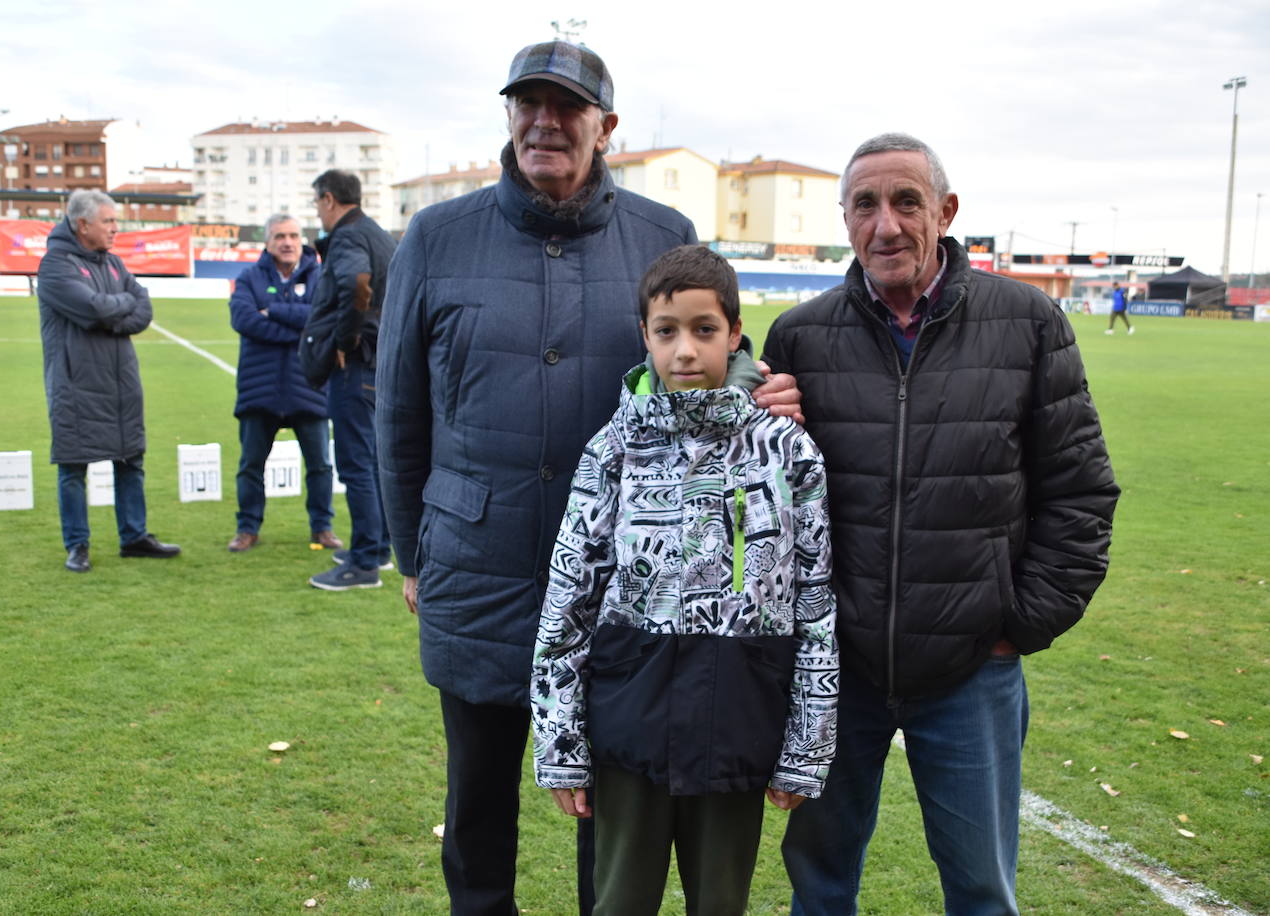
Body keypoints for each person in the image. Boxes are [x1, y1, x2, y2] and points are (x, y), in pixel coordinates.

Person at [377, 40, 803, 915]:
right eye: (527, 103)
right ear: (507, 116)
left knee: (607, 807)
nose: (545, 122)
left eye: (567, 107)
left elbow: (703, 353)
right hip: (474, 557)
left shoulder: (662, 233)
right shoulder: (434, 235)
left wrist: (757, 385)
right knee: (478, 796)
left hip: (627, 579)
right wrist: (411, 554)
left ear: (605, 126)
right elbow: (398, 411)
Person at [762, 133, 1120, 915]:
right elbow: (764, 507)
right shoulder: (799, 336)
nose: (885, 225)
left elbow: (1081, 493)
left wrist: (1016, 624)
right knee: (819, 890)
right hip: (837, 676)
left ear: (946, 212)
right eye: (865, 205)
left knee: (982, 894)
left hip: (971, 674)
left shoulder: (1027, 323)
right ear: (845, 220)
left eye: (906, 202)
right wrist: (751, 431)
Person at [530, 246, 838, 915]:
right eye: (667, 331)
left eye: (704, 330)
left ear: (734, 334)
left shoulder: (788, 452)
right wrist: (560, 743)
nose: (686, 351)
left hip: (738, 723)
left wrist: (805, 748)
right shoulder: (612, 451)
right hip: (629, 725)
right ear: (645, 336)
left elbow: (815, 606)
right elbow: (569, 599)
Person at [37, 189, 180, 573]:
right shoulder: (54, 266)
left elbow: (143, 309)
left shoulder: (115, 265)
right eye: (109, 221)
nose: (116, 229)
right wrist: (116, 307)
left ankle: (134, 537)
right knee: (72, 466)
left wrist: (111, 310)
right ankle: (77, 545)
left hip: (121, 382)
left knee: (130, 460)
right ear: (83, 225)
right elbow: (91, 308)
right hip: (75, 383)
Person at [302, 169, 396, 591]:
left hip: (357, 363)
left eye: (316, 204)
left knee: (357, 464)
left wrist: (345, 339)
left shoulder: (348, 235)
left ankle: (363, 565)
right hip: (378, 361)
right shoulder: (377, 232)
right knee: (372, 461)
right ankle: (376, 548)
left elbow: (357, 283)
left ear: (328, 199)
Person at [226, 214, 341, 553]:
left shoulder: (322, 276)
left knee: (320, 465)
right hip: (259, 388)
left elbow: (324, 319)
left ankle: (322, 527)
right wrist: (299, 328)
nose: (287, 242)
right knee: (250, 465)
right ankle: (247, 528)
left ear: (302, 239)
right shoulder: (248, 277)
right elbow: (244, 320)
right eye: (279, 236)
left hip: (310, 385)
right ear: (267, 242)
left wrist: (272, 311)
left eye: (292, 235)